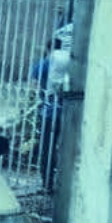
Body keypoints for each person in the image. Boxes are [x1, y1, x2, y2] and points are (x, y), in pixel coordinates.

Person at [30, 34, 70, 191]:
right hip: (67, 113)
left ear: (47, 49)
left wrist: (42, 95)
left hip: (49, 112)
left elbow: (34, 87)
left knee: (47, 147)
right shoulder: (69, 64)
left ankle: (47, 183)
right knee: (66, 147)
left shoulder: (43, 64)